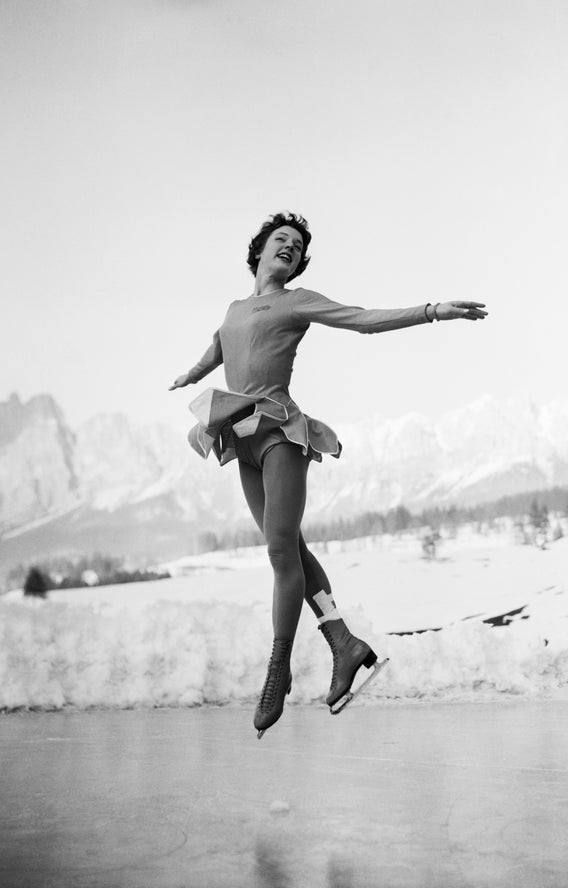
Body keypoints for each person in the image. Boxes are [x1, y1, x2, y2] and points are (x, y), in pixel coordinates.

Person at [170, 212, 487, 737]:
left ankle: (278, 668)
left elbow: (362, 319)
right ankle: (344, 643)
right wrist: (193, 373)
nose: (290, 248)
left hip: (279, 435)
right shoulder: (235, 308)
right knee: (289, 546)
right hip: (239, 437)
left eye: (297, 245)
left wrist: (434, 310)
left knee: (278, 552)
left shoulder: (297, 301)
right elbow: (221, 344)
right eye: (281, 240)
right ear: (259, 250)